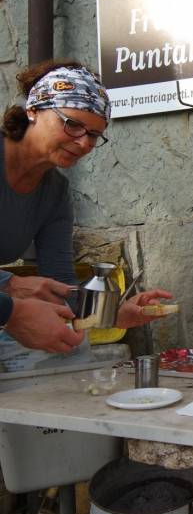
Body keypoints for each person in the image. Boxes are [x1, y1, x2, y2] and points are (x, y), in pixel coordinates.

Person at [0, 59, 172, 355]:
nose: (83, 143)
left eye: (93, 134)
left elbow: (60, 285)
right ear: (33, 111)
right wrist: (10, 294)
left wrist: (111, 312)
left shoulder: (55, 193)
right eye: (72, 124)